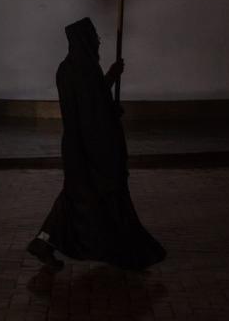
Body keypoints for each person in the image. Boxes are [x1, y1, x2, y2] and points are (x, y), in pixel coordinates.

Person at [27, 17, 166, 271]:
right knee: (102, 197)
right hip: (92, 149)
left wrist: (111, 77)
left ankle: (44, 242)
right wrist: (112, 113)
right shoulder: (86, 69)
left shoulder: (67, 68)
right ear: (86, 40)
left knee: (74, 197)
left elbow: (91, 99)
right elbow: (95, 110)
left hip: (75, 146)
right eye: (94, 38)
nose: (98, 43)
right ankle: (124, 250)